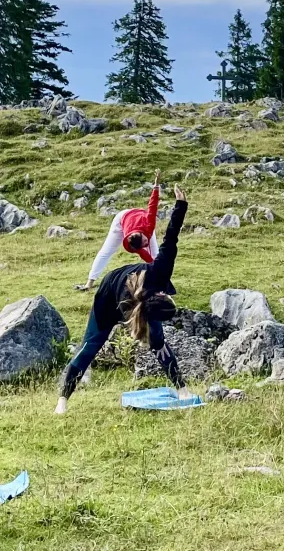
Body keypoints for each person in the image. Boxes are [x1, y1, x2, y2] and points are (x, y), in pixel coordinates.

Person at [56, 186, 188, 414]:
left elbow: (171, 238)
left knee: (158, 342)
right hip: (108, 295)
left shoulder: (153, 290)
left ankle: (182, 389)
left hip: (134, 301)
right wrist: (180, 206)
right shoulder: (156, 275)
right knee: (91, 346)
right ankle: (62, 401)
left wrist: (181, 206)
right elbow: (170, 237)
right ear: (161, 293)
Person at [79, 176, 160, 292]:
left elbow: (152, 206)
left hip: (139, 218)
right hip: (121, 219)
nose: (146, 245)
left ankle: (161, 281)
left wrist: (156, 186)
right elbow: (142, 253)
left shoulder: (149, 224)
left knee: (156, 255)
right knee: (106, 251)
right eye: (144, 244)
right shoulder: (134, 242)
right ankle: (89, 282)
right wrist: (148, 258)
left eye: (145, 242)